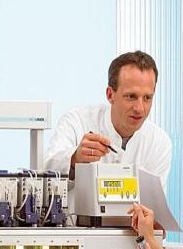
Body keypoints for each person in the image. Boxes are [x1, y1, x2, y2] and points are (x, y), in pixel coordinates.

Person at [44, 51, 172, 191]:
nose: (139, 108)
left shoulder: (159, 143)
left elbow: (154, 202)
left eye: (147, 98)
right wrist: (74, 159)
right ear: (110, 95)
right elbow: (46, 175)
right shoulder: (76, 122)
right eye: (131, 96)